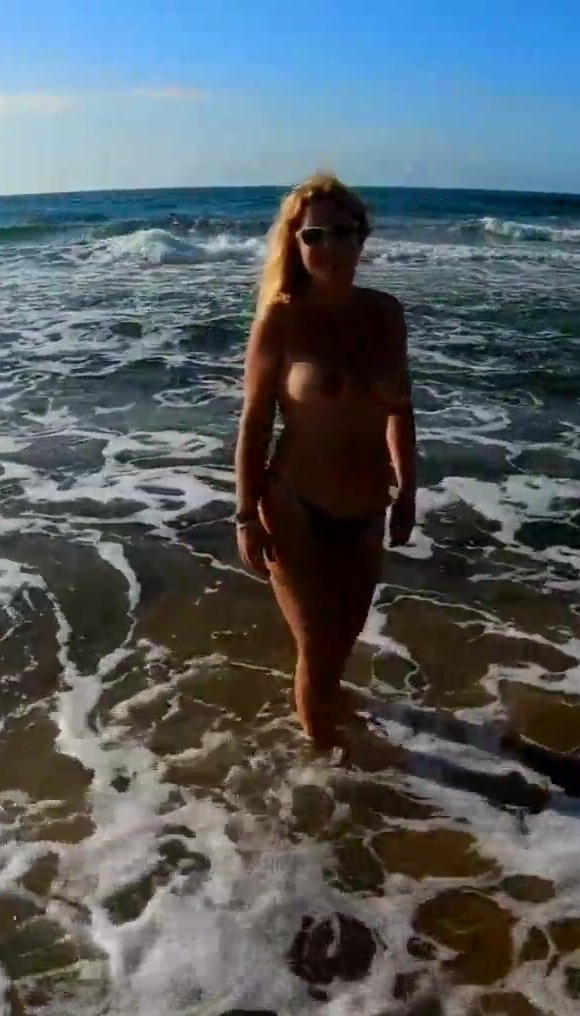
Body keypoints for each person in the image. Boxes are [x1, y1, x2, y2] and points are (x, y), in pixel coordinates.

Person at [234, 172, 416, 751]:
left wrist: (408, 491)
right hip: (295, 509)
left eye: (342, 232)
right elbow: (255, 423)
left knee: (340, 646)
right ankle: (330, 777)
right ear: (295, 244)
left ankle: (328, 729)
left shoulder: (386, 314)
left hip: (367, 511)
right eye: (314, 236)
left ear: (362, 236)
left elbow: (401, 409)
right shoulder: (280, 320)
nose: (329, 246)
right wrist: (245, 515)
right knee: (317, 650)